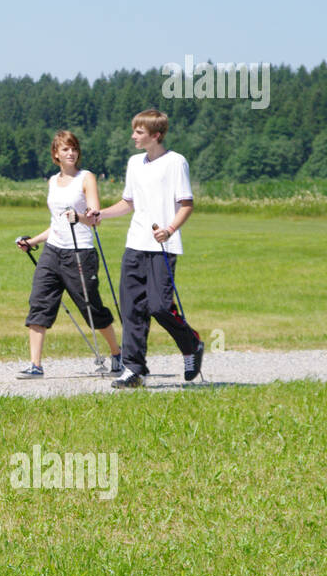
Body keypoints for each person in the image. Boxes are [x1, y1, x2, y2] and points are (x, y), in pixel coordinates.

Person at [87, 108, 204, 388]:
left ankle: (192, 344)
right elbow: (129, 203)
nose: (133, 136)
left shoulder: (176, 162)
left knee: (160, 306)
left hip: (163, 245)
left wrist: (170, 229)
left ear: (156, 134)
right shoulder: (134, 163)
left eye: (139, 132)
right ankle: (133, 369)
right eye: (134, 130)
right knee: (131, 308)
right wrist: (101, 214)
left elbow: (186, 204)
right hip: (135, 245)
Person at [15, 131, 121, 378]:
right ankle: (35, 365)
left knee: (91, 308)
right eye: (65, 149)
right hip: (53, 251)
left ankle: (117, 353)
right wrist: (32, 242)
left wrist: (80, 217)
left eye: (73, 148)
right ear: (56, 154)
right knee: (39, 302)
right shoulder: (52, 181)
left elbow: (95, 219)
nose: (70, 153)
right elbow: (57, 223)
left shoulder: (86, 178)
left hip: (80, 252)